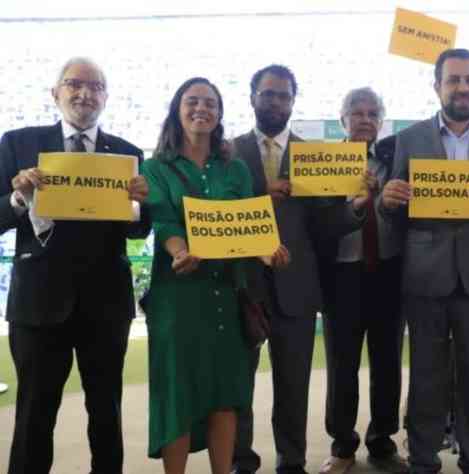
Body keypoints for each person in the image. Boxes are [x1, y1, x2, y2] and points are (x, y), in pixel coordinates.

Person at [0, 57, 150, 474]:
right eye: (74, 84)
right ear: (56, 93)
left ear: (106, 96)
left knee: (106, 414)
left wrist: (139, 203)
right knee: (33, 414)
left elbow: (139, 232)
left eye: (95, 86)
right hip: (38, 304)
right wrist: (17, 199)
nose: (85, 93)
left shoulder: (127, 154)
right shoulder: (17, 143)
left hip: (105, 305)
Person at [380, 48, 469, 474]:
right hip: (425, 275)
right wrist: (388, 200)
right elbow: (395, 209)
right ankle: (423, 460)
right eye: (454, 80)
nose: (463, 87)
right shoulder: (409, 138)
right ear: (437, 86)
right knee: (426, 376)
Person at [141, 76, 288, 474]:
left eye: (209, 102)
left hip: (226, 293)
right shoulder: (155, 168)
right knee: (178, 395)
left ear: (220, 113)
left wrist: (266, 252)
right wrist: (179, 252)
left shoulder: (235, 169)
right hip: (178, 295)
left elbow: (247, 227)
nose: (201, 108)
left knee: (226, 395)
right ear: (177, 109)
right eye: (192, 101)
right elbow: (165, 221)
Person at [232, 64, 368, 474]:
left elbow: (326, 225)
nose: (275, 102)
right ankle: (242, 461)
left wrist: (356, 207)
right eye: (267, 94)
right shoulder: (229, 151)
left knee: (293, 387)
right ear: (252, 96)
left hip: (297, 287)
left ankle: (291, 463)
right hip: (243, 286)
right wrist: (261, 193)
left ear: (293, 101)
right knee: (239, 385)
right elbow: (218, 213)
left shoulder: (313, 156)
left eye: (283, 95)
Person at [319, 87, 407, 474]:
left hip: (389, 270)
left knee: (388, 361)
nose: (365, 119)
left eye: (373, 113)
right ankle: (342, 445)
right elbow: (319, 225)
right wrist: (354, 207)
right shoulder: (323, 162)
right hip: (342, 274)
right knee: (343, 364)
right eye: (357, 113)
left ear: (382, 121)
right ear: (342, 119)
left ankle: (382, 441)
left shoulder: (394, 157)